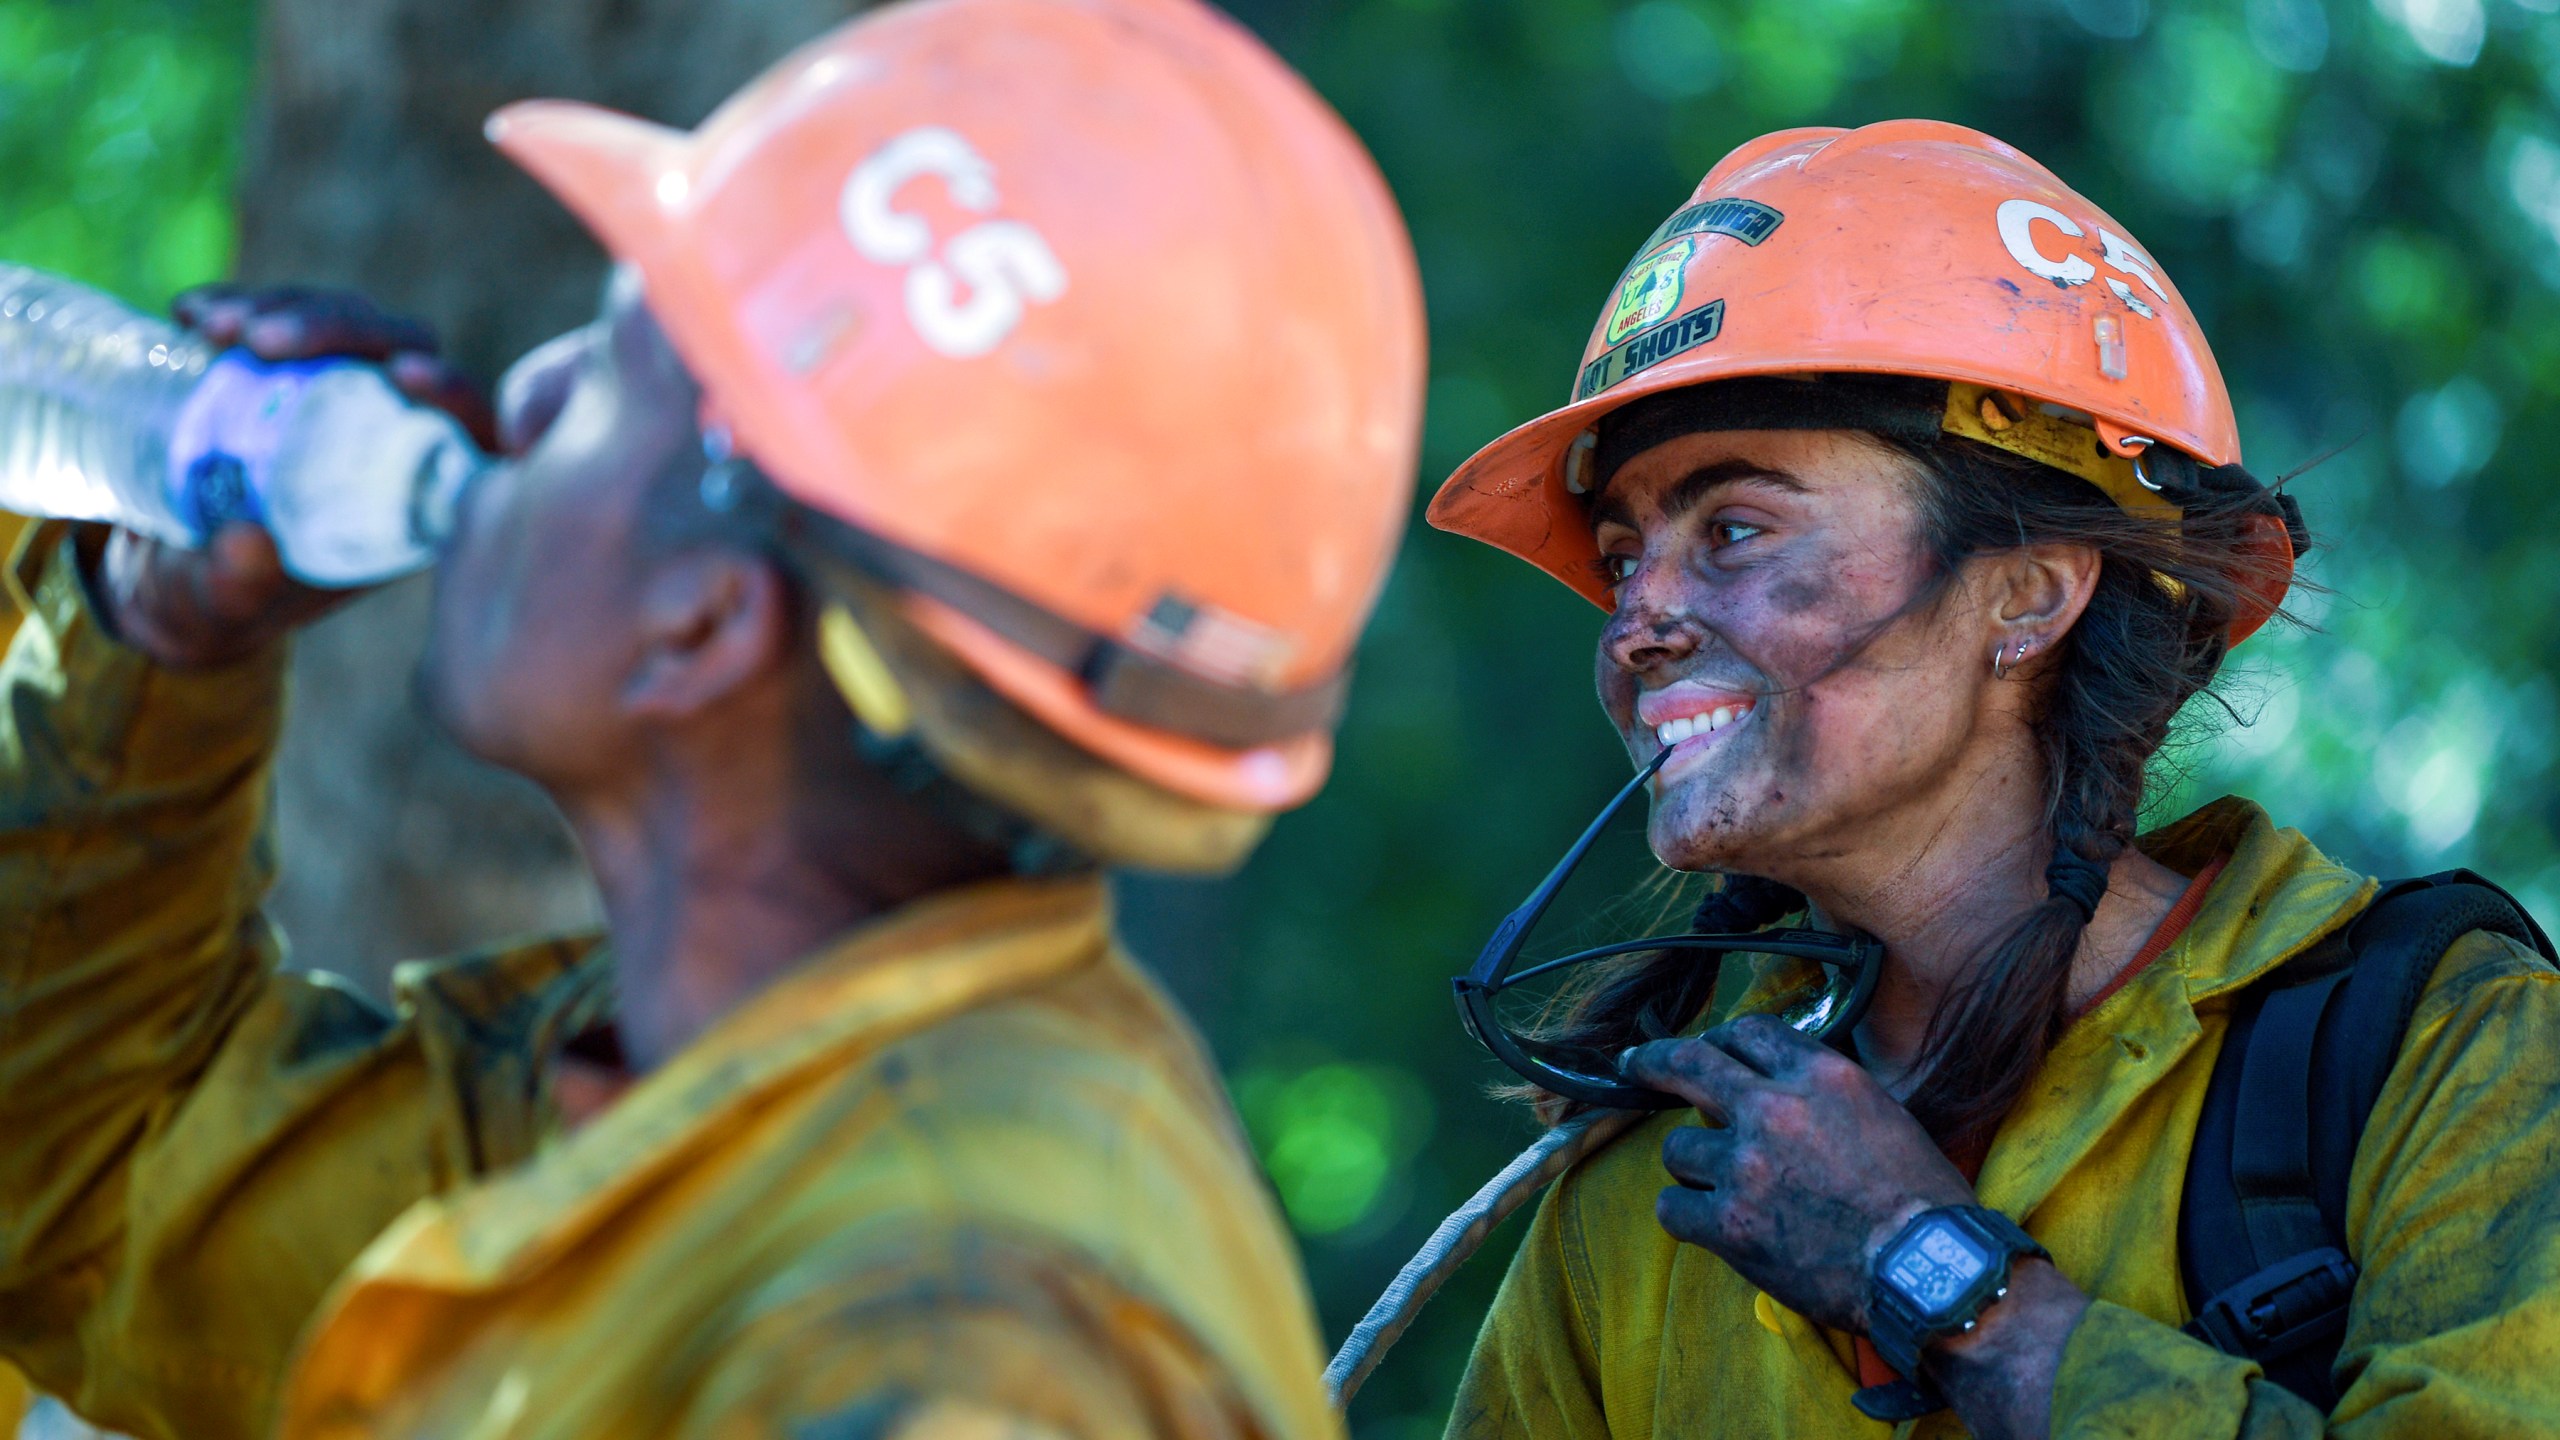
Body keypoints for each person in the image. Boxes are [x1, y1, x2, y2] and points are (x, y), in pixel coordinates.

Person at [0, 1, 1424, 1437]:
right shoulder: (714, 1093)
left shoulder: (953, 1352)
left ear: (705, 623)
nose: (527, 387)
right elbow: (100, 1192)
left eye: (617, 363)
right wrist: (165, 636)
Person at [1418, 121, 2560, 1437]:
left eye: (1734, 530)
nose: (1635, 623)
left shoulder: (2434, 1047)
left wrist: (1925, 1265)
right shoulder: (1659, 1190)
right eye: (1624, 557)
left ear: (2027, 593)